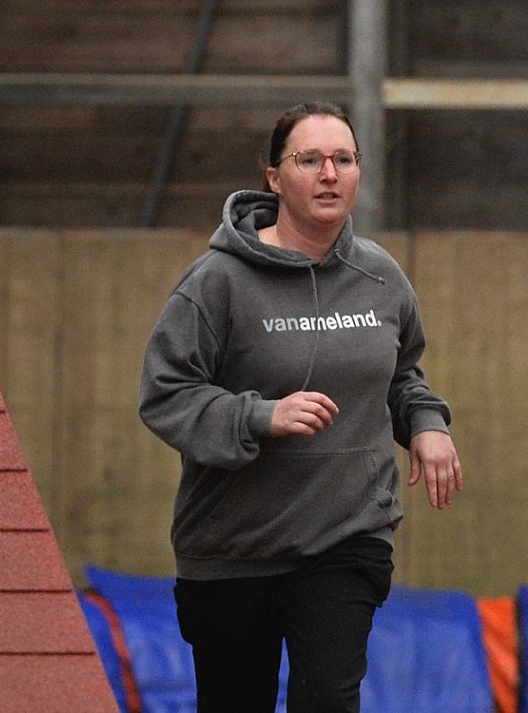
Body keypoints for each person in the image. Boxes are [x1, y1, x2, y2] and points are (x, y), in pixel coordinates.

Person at [138, 101, 463, 713]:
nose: (329, 174)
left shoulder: (381, 277)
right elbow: (166, 392)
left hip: (346, 536)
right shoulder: (217, 281)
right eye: (309, 160)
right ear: (274, 177)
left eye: (344, 159)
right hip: (233, 550)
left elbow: (401, 375)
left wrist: (426, 424)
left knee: (328, 699)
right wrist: (260, 416)